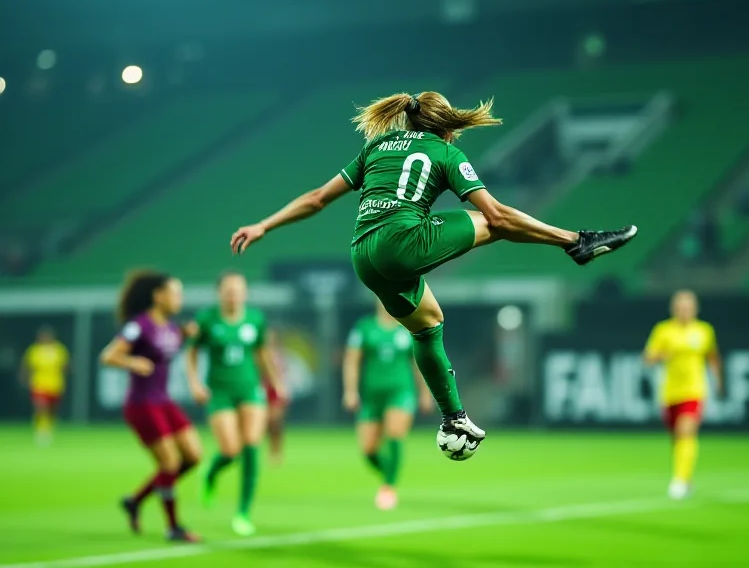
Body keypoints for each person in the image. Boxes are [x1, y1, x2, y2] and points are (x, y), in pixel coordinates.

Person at [230, 92, 637, 460]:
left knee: (428, 324)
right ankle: (577, 242)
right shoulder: (445, 155)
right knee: (489, 221)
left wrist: (265, 225)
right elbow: (497, 216)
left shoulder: (376, 147)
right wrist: (564, 236)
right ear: (447, 127)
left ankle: (454, 417)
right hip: (403, 241)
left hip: (363, 256)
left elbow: (318, 198)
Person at [100, 271, 202, 542]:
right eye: (175, 293)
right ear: (158, 296)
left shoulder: (169, 327)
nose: (179, 298)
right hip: (142, 404)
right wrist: (132, 362)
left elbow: (166, 349)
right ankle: (173, 527)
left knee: (193, 456)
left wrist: (184, 335)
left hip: (164, 401)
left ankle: (135, 500)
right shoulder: (139, 325)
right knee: (169, 462)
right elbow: (108, 356)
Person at [186, 271, 286, 536]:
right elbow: (192, 352)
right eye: (228, 291)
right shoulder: (207, 320)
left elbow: (262, 352)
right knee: (230, 450)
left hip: (251, 389)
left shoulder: (255, 319)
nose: (233, 295)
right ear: (219, 293)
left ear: (245, 293)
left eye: (238, 290)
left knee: (252, 445)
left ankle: (243, 512)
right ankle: (211, 473)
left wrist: (274, 381)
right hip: (220, 392)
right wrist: (195, 383)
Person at [343, 300, 433, 510]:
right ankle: (389, 473)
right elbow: (352, 360)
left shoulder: (408, 327)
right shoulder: (364, 327)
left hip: (401, 392)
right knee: (368, 450)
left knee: (395, 433)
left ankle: (389, 487)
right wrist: (350, 391)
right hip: (371, 395)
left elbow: (418, 363)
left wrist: (425, 393)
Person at [643, 290, 722, 500]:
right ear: (674, 309)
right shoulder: (663, 330)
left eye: (688, 307)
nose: (684, 311)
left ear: (695, 309)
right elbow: (648, 358)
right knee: (677, 439)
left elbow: (712, 357)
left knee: (686, 432)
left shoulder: (704, 330)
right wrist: (661, 354)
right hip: (669, 393)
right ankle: (686, 478)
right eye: (680, 307)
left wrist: (718, 381)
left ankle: (679, 481)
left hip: (694, 390)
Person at [20, 326, 70, 445]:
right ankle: (41, 432)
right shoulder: (34, 350)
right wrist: (24, 378)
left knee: (52, 410)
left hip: (55, 384)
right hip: (39, 383)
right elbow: (27, 366)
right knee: (41, 407)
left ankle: (50, 428)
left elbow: (66, 365)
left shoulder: (59, 349)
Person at [264, 328, 290, 465]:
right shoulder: (258, 353)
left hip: (276, 391)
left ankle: (276, 451)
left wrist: (282, 388)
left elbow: (283, 374)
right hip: (262, 390)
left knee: (276, 423)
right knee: (263, 423)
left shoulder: (279, 355)